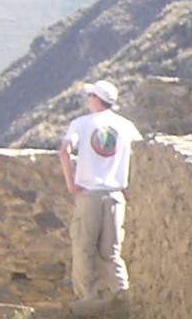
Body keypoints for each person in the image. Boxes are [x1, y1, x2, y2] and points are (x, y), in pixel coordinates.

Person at [60, 79, 141, 307]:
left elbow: (65, 151)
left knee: (84, 247)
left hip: (89, 194)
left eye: (90, 97)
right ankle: (122, 295)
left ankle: (88, 299)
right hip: (115, 194)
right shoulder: (126, 126)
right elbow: (142, 154)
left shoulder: (81, 123)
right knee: (111, 251)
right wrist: (130, 186)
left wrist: (70, 181)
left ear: (96, 99)